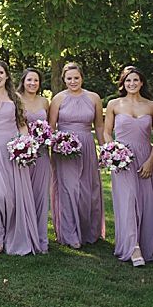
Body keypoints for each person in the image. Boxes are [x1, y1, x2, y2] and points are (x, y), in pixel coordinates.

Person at [0, 60, 44, 255]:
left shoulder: (15, 97)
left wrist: (26, 145)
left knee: (12, 197)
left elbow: (21, 124)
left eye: (1, 73)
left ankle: (11, 232)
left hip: (13, 150)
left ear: (6, 76)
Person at [102, 66, 153, 266]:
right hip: (122, 160)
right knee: (127, 201)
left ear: (142, 83)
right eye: (128, 80)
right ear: (122, 83)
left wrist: (151, 160)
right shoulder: (114, 104)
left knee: (147, 202)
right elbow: (106, 132)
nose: (132, 84)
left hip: (145, 158)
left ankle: (148, 243)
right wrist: (113, 151)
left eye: (136, 80)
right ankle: (133, 247)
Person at [48, 62, 105, 248]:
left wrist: (104, 149)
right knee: (68, 189)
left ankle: (89, 231)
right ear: (64, 79)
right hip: (64, 149)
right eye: (69, 78)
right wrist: (59, 144)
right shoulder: (58, 99)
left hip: (87, 145)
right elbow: (51, 127)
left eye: (76, 78)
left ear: (82, 77)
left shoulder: (94, 97)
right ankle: (69, 233)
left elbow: (99, 126)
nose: (73, 81)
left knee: (88, 190)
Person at [18, 67, 51, 251]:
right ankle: (24, 236)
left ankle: (40, 238)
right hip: (23, 153)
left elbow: (50, 126)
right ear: (23, 81)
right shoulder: (15, 99)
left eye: (36, 80)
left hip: (42, 153)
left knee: (40, 195)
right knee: (23, 194)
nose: (32, 83)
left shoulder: (45, 101)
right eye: (29, 80)